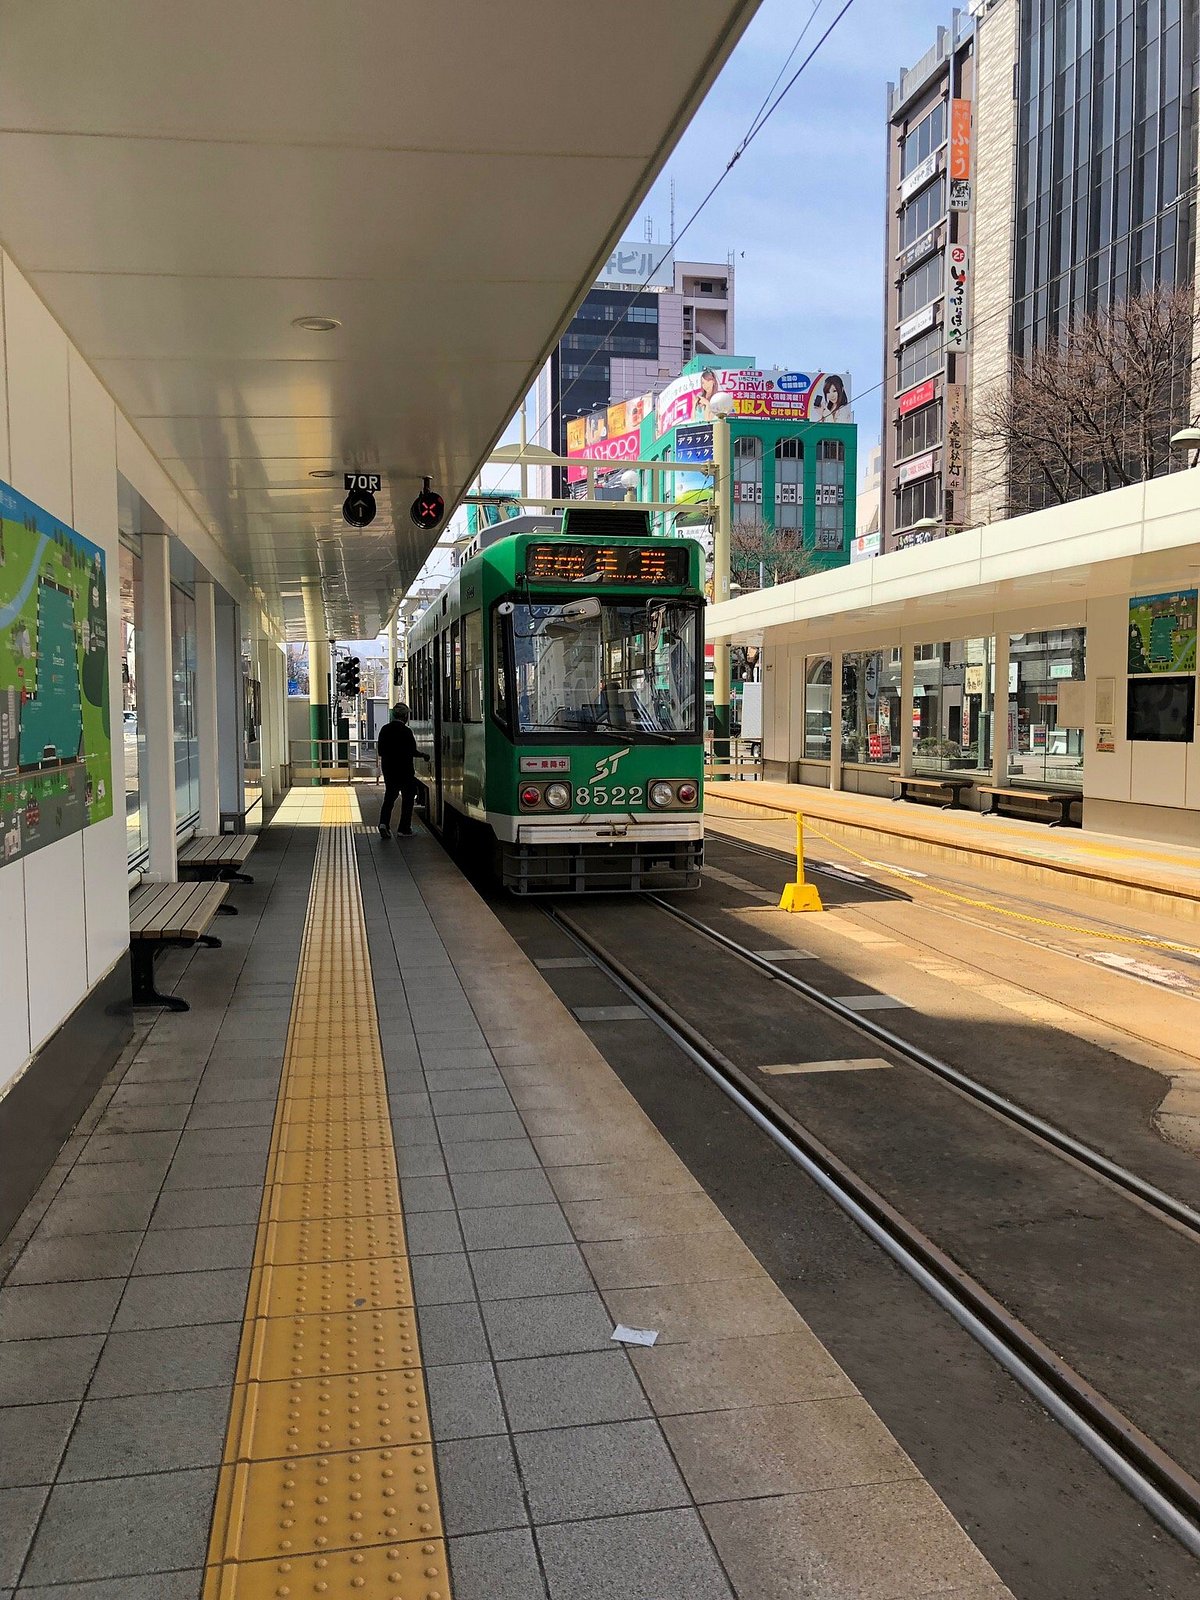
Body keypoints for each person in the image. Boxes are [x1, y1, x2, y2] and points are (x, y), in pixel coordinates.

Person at [376, 703, 419, 838]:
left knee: (389, 797)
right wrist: (423, 755)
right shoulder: (406, 731)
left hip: (389, 770)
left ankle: (384, 824)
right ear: (405, 716)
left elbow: (381, 751)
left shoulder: (385, 729)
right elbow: (412, 751)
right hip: (405, 770)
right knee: (408, 798)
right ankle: (404, 828)